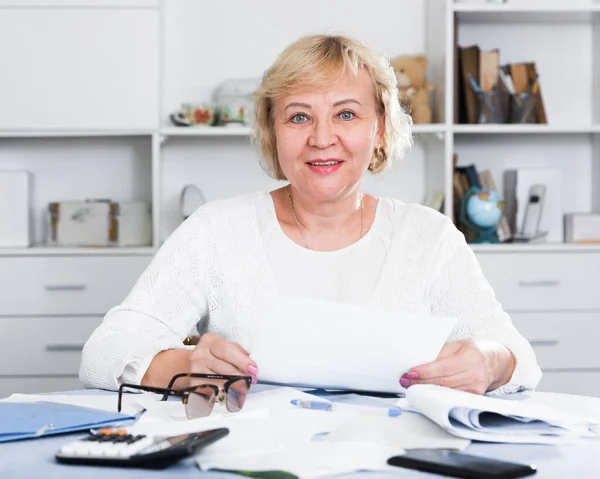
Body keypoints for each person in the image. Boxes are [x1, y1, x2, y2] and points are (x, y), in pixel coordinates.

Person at [80, 34, 542, 396]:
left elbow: (518, 356)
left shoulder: (429, 235)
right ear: (273, 130)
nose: (322, 138)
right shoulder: (215, 230)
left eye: (346, 114)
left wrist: (488, 360)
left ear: (379, 128)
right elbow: (102, 354)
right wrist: (183, 365)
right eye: (299, 117)